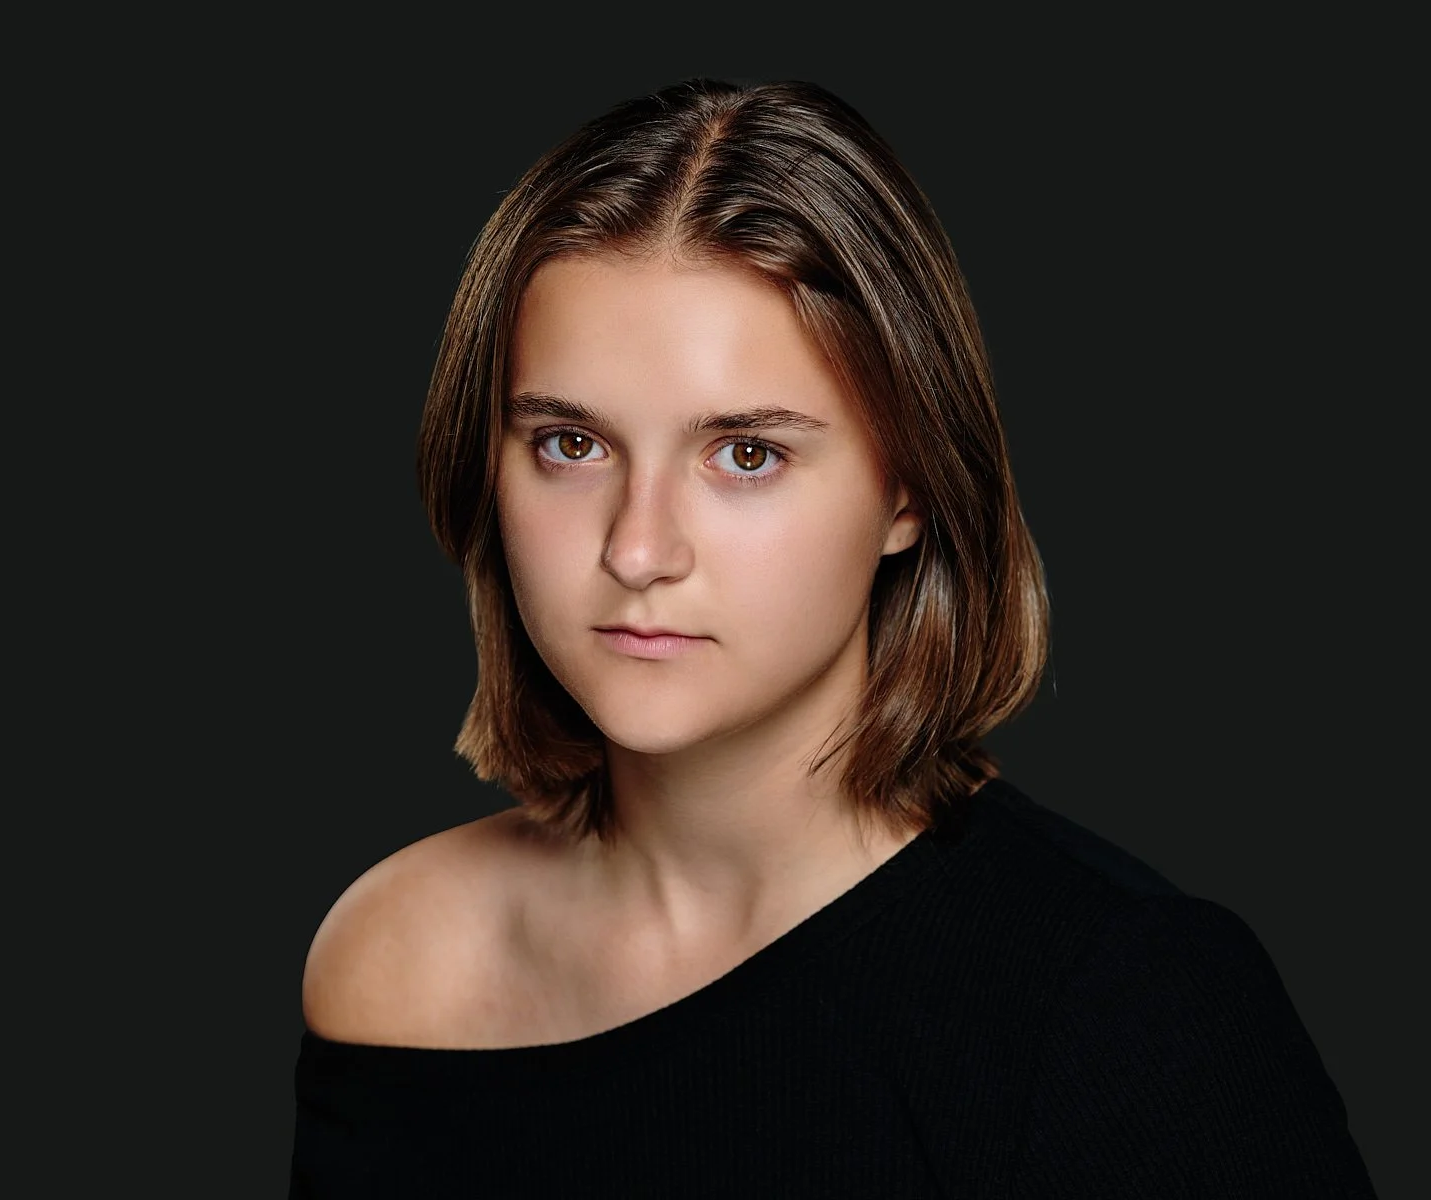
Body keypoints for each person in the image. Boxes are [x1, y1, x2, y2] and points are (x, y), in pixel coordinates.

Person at [288, 77, 1375, 1197]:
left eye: (746, 455)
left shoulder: (1122, 1006)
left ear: (908, 487)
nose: (638, 549)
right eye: (571, 444)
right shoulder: (397, 963)